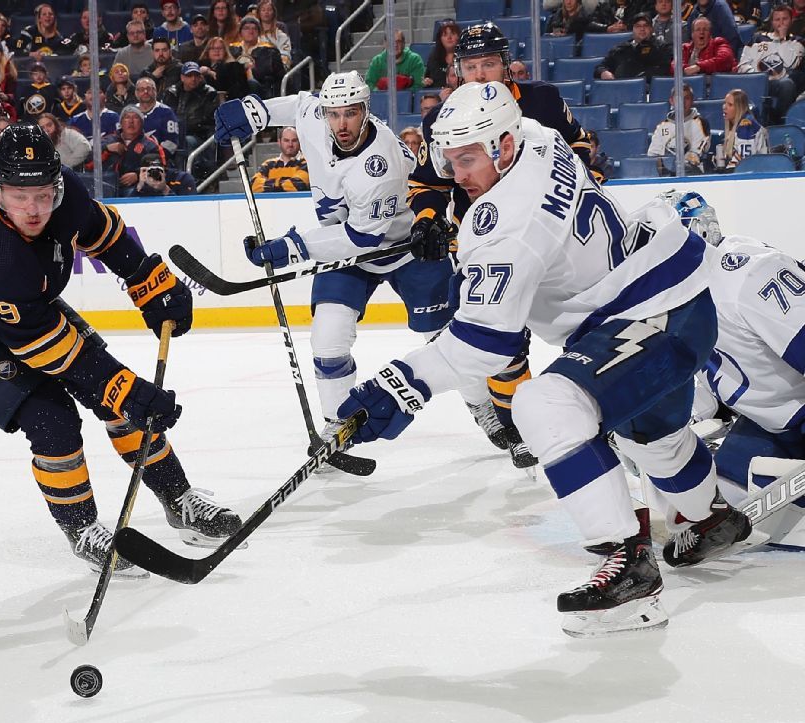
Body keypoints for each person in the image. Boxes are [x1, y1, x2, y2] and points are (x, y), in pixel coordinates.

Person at [334, 81, 747, 637]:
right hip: (676, 300)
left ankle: (633, 570)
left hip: (646, 316)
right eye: (448, 158)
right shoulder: (539, 136)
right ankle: (711, 516)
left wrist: (400, 386)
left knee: (545, 404)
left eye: (467, 159)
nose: (456, 173)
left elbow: (485, 346)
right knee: (654, 437)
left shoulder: (507, 224)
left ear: (502, 146)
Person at [0, 124, 242, 572]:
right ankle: (82, 529)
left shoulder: (65, 194)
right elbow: (47, 349)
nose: (34, 209)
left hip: (16, 307)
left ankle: (179, 497)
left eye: (42, 194)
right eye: (19, 196)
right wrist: (122, 389)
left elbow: (103, 232)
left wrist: (145, 280)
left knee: (117, 398)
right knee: (52, 416)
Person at [214, 72, 456, 468]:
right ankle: (337, 427)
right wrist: (254, 111)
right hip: (346, 245)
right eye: (334, 114)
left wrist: (292, 247)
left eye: (351, 113)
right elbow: (297, 104)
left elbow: (363, 238)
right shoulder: (316, 116)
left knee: (444, 338)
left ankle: (487, 407)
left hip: (405, 244)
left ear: (365, 111)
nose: (341, 124)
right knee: (327, 339)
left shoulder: (380, 164)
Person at [409, 22, 592, 470]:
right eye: (470, 67)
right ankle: (519, 429)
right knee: (502, 340)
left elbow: (580, 146)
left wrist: (584, 188)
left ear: (506, 64)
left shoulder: (542, 100)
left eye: (488, 64)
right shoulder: (442, 119)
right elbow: (425, 183)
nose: (480, 75)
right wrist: (430, 219)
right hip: (487, 244)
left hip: (555, 239)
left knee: (581, 323)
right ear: (457, 69)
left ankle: (601, 400)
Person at [672, 192, 805, 549]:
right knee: (711, 503)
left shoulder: (748, 275)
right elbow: (706, 388)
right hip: (770, 425)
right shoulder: (683, 298)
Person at [738, 4, 805, 125]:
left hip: (778, 83)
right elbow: (743, 63)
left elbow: (790, 64)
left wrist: (783, 39)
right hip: (756, 80)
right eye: (777, 19)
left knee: (787, 85)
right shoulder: (757, 38)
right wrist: (755, 76)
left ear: (791, 21)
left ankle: (779, 122)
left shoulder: (798, 41)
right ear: (772, 22)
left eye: (785, 19)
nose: (781, 23)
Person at [647, 83, 711, 174]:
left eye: (687, 98)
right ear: (671, 101)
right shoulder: (662, 127)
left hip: (693, 174)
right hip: (666, 175)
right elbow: (653, 155)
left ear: (692, 100)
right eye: (678, 98)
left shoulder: (701, 123)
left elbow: (695, 155)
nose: (682, 102)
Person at [104, 106, 166, 195]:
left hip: (134, 188)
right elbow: (88, 161)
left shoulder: (150, 144)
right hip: (106, 185)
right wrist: (106, 148)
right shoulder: (107, 140)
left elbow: (161, 168)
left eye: (135, 117)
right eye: (127, 117)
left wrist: (137, 175)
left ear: (141, 123)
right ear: (121, 122)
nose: (131, 121)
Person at [161, 62, 219, 155]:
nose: (193, 79)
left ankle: (186, 168)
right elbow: (165, 116)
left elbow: (208, 120)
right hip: (173, 133)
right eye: (189, 75)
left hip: (199, 135)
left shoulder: (209, 93)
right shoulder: (171, 93)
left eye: (196, 75)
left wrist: (184, 127)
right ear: (182, 77)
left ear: (200, 77)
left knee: (186, 141)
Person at [595, 13, 673, 79]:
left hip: (651, 91)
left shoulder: (662, 47)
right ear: (633, 29)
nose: (642, 29)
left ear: (651, 29)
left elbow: (665, 69)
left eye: (645, 26)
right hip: (624, 90)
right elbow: (600, 67)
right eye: (638, 26)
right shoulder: (621, 49)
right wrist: (604, 72)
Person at [715, 88, 768, 170]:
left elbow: (745, 163)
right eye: (725, 103)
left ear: (739, 107)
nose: (724, 107)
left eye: (730, 104)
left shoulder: (746, 126)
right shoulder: (737, 125)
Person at [231, 16, 285, 96]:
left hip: (262, 90)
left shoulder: (270, 51)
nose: (251, 31)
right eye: (246, 28)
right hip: (235, 89)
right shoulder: (231, 49)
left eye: (254, 28)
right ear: (240, 32)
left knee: (251, 83)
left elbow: (278, 77)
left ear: (259, 32)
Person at [250, 125, 309, 192]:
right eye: (286, 140)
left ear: (300, 142)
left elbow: (297, 186)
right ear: (279, 142)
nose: (290, 144)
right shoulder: (268, 164)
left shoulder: (306, 163)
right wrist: (284, 183)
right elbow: (253, 185)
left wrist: (267, 183)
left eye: (294, 140)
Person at [133, 77, 180, 155]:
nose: (145, 92)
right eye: (141, 89)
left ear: (155, 91)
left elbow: (172, 142)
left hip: (156, 156)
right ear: (136, 93)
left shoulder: (166, 112)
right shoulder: (130, 112)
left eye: (149, 88)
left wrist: (157, 154)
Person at [255, 0, 293, 67]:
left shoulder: (280, 33)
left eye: (269, 10)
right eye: (263, 10)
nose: (266, 12)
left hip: (275, 67)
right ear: (259, 13)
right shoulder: (253, 31)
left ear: (274, 12)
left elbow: (286, 54)